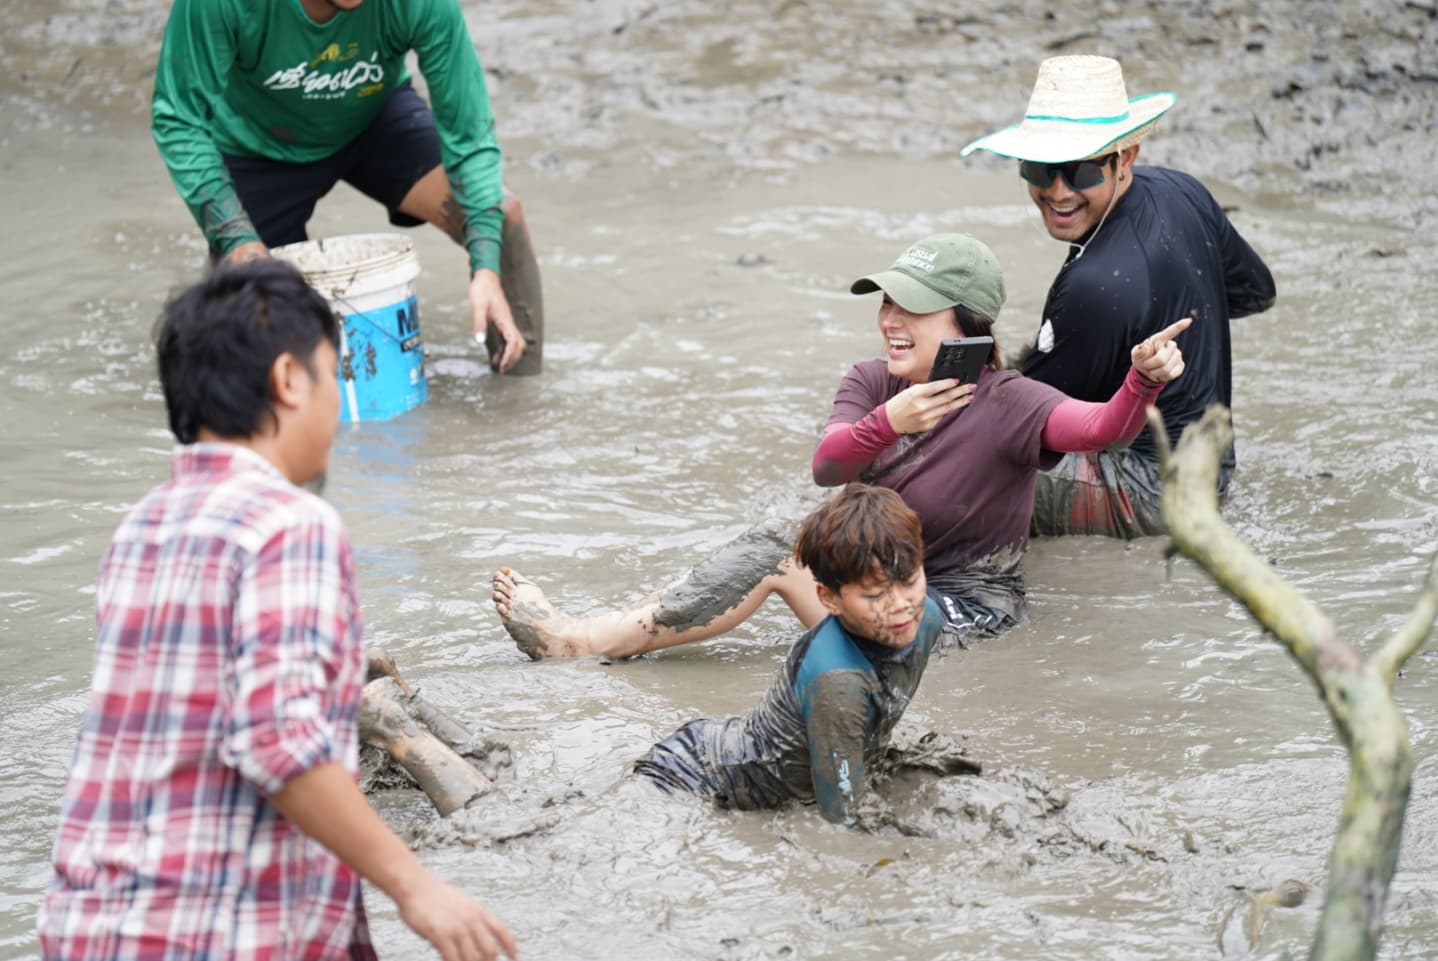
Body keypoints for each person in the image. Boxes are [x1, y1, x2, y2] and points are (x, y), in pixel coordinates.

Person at [37, 262, 516, 961]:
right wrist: (416, 886)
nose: (338, 404)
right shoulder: (289, 523)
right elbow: (278, 741)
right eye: (335, 372)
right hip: (217, 934)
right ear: (290, 380)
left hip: (89, 924)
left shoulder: (140, 528)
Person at [491, 232, 1188, 660]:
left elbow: (1101, 430)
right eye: (885, 301)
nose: (889, 319)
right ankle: (616, 638)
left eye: (911, 307)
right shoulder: (869, 381)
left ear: (966, 323)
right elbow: (829, 466)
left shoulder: (1008, 401)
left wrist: (1141, 380)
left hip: (960, 615)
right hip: (874, 586)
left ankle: (583, 641)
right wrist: (893, 420)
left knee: (774, 550)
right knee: (776, 545)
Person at [959, 54, 1276, 537]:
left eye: (1080, 173)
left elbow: (1021, 424)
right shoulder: (1180, 190)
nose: (1058, 192)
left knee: (945, 452)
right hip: (1210, 469)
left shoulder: (1097, 286)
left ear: (1125, 157)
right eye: (1040, 170)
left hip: (1150, 495)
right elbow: (1256, 292)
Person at [151, 0, 544, 375]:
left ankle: (521, 394)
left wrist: (486, 269)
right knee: (252, 336)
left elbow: (470, 136)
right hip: (256, 145)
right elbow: (180, 119)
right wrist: (235, 238)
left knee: (500, 213)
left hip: (373, 117)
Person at [635, 484, 955, 824]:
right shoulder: (838, 682)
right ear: (829, 599)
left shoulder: (928, 618)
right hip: (691, 775)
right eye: (875, 595)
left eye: (909, 580)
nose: (901, 606)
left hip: (738, 749)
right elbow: (844, 813)